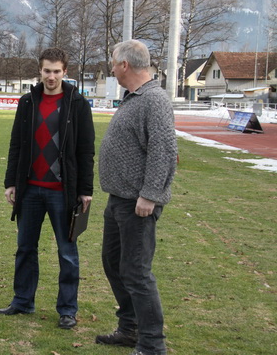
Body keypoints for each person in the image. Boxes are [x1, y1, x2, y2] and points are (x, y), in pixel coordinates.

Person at [0, 48, 95, 329]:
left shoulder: (77, 104)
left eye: (56, 71)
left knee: (67, 252)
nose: (51, 76)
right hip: (30, 191)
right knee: (25, 249)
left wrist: (85, 189)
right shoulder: (27, 102)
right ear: (40, 71)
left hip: (63, 192)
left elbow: (86, 150)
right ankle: (22, 301)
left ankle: (67, 310)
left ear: (65, 72)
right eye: (47, 71)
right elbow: (16, 144)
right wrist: (11, 182)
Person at [95, 40, 178, 355]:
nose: (112, 68)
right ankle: (129, 328)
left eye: (113, 63)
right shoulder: (135, 98)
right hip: (118, 199)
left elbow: (164, 151)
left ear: (125, 65)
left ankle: (152, 344)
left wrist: (150, 195)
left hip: (137, 204)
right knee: (114, 264)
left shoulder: (154, 100)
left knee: (136, 272)